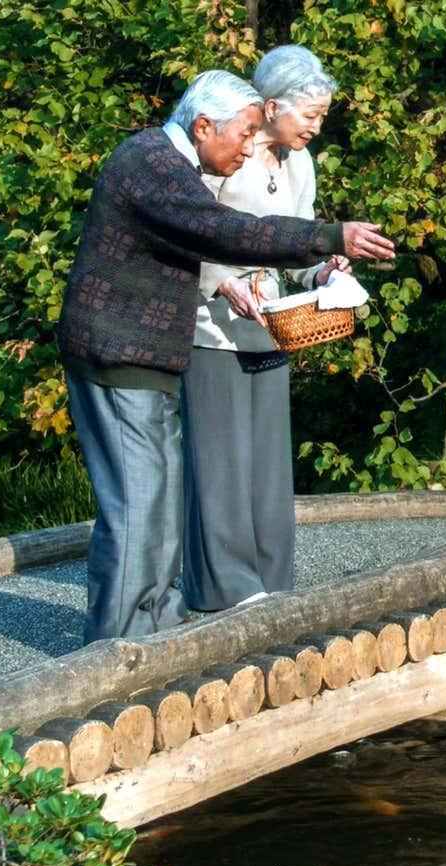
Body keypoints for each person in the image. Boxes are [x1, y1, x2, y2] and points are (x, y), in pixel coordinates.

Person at [56, 70, 394, 644]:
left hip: (149, 357)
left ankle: (160, 625)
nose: (246, 146)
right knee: (138, 505)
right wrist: (331, 236)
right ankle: (114, 650)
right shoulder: (151, 163)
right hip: (116, 353)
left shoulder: (176, 164)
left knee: (161, 501)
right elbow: (225, 232)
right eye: (241, 134)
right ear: (203, 125)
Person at [180, 47, 343, 613]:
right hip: (211, 328)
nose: (317, 127)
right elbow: (188, 232)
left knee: (269, 463)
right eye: (309, 115)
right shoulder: (228, 152)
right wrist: (224, 280)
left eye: (321, 116)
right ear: (272, 106)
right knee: (221, 460)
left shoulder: (301, 165)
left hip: (270, 323)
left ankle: (273, 585)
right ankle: (226, 590)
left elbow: (293, 248)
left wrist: (322, 267)